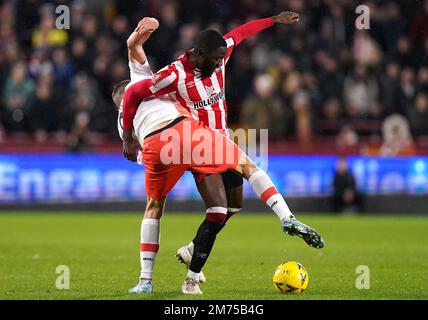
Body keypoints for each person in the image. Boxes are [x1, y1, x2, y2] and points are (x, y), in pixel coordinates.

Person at [117, 18, 324, 295]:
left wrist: (273, 20)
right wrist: (130, 135)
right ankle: (192, 278)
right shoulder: (174, 74)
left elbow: (240, 32)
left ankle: (191, 251)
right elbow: (135, 89)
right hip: (197, 141)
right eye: (214, 59)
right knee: (218, 208)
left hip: (218, 140)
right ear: (199, 53)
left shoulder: (221, 55)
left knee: (234, 206)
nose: (218, 64)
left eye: (220, 59)